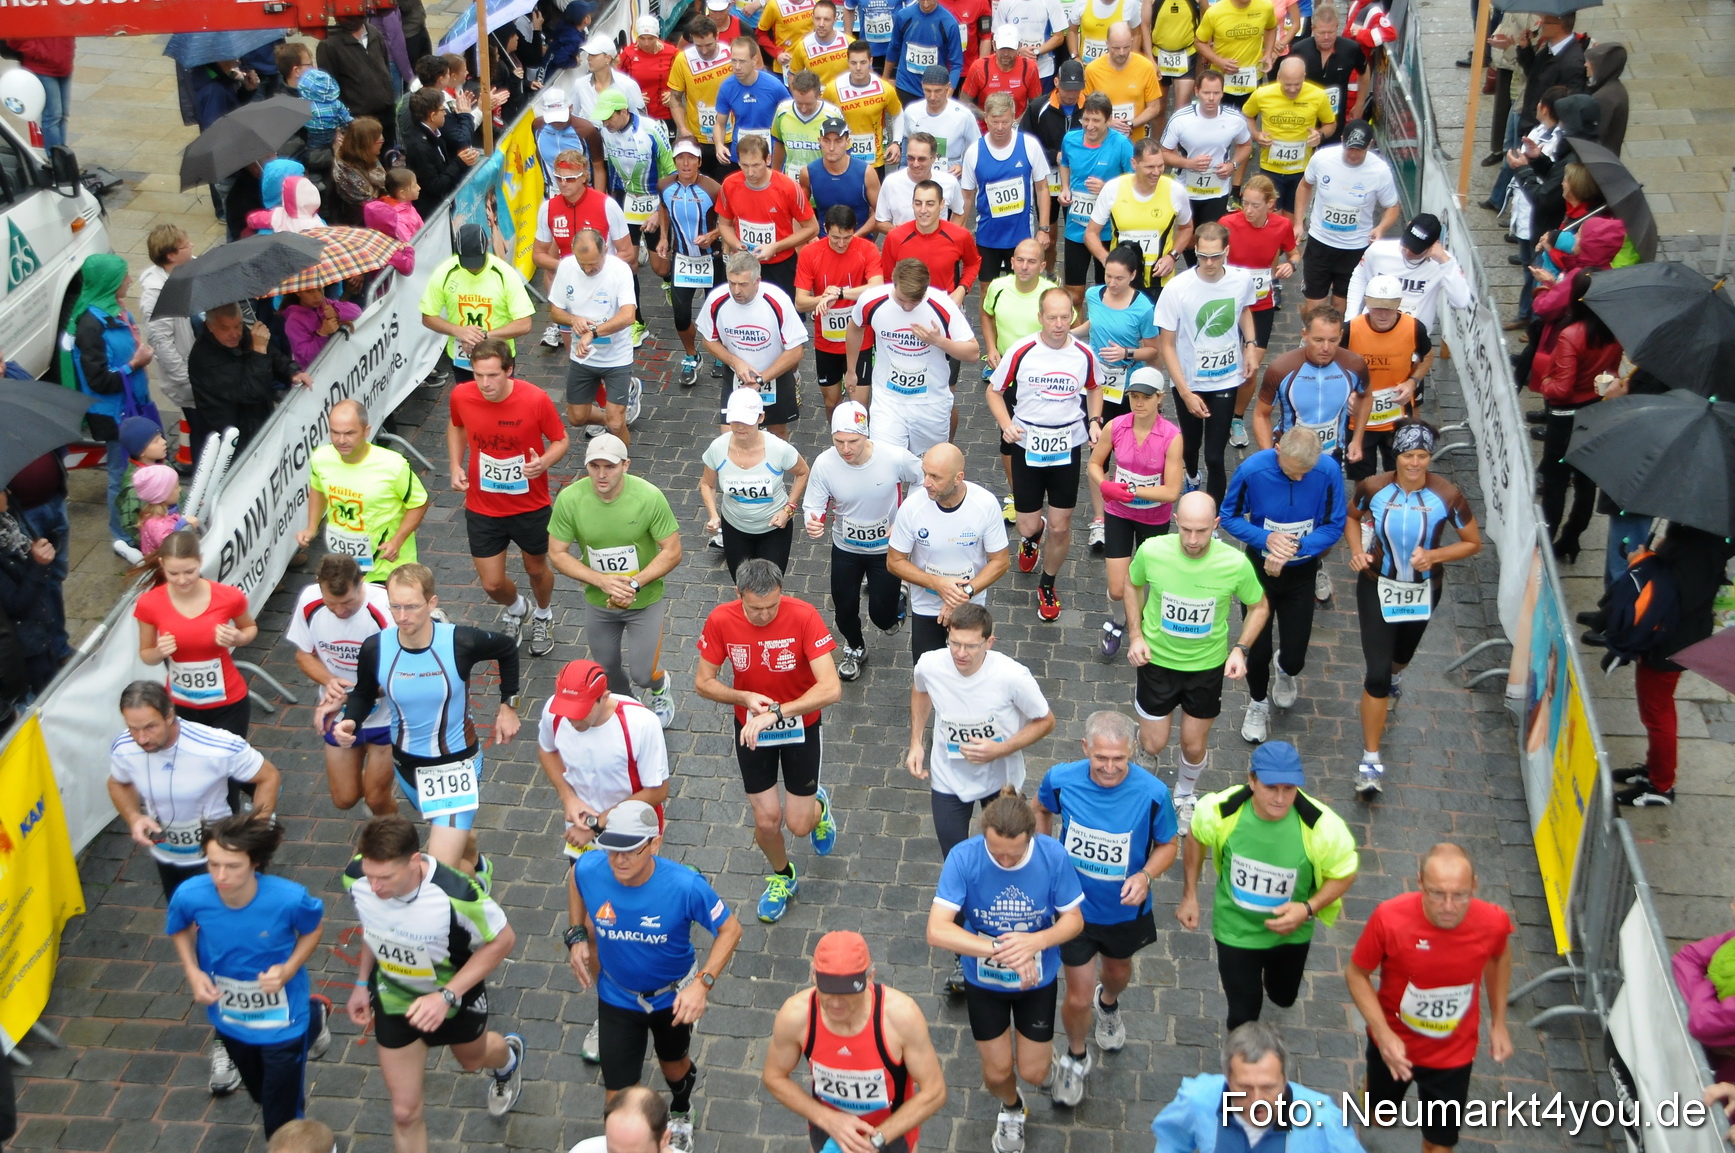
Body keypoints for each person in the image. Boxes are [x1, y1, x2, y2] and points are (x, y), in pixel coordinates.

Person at [108, 679, 283, 1095]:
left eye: (149, 727)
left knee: (225, 947)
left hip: (219, 866)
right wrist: (134, 818)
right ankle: (270, 1017)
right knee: (202, 947)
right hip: (171, 864)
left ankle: (229, 1041)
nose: (141, 738)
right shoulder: (125, 748)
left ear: (171, 715)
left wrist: (250, 838)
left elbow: (268, 777)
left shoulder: (216, 744)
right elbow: (117, 783)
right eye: (133, 729)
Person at [342, 816, 526, 1153]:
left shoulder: (456, 893)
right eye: (370, 875)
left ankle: (509, 1059)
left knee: (472, 1061)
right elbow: (373, 927)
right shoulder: (357, 879)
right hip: (394, 1000)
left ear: (414, 861)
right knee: (404, 1112)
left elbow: (503, 941)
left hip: (454, 999)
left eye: (385, 878)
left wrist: (446, 996)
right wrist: (360, 982)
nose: (375, 887)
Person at [566, 799, 741, 1150]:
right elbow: (575, 878)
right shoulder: (590, 868)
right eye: (612, 850)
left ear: (655, 844)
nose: (618, 860)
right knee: (616, 1100)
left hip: (671, 998)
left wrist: (702, 985)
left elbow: (731, 930)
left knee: (673, 1067)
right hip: (617, 997)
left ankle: (680, 1110)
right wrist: (576, 935)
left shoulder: (685, 886)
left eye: (629, 851)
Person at [326, 564, 522, 875]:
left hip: (456, 767)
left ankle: (476, 916)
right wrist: (351, 720)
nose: (402, 616)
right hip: (407, 769)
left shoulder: (460, 641)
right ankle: (478, 868)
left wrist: (508, 705)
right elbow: (364, 693)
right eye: (395, 606)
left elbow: (507, 649)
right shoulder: (376, 648)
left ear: (431, 604)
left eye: (412, 606)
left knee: (439, 872)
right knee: (459, 840)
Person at [1033, 710, 1178, 1105]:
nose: (1111, 768)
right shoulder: (1062, 780)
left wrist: (1146, 876)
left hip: (1123, 913)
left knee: (1117, 973)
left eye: (1120, 759)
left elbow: (1168, 844)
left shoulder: (1152, 793)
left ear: (1131, 751)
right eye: (1101, 758)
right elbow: (1041, 808)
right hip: (1074, 912)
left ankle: (1109, 1003)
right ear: (1085, 749)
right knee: (1076, 995)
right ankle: (1076, 1057)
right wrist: (1045, 856)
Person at [925, 789, 1084, 1148]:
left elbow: (1073, 920)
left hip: (1036, 980)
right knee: (997, 1072)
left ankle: (1048, 1063)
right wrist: (1001, 948)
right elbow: (937, 930)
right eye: (997, 854)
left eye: (1016, 855)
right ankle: (1011, 1107)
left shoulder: (1052, 856)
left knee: (1034, 1071)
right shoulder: (964, 858)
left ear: (1031, 837)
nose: (1007, 863)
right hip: (984, 981)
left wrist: (1035, 942)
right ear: (984, 836)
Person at [695, 558, 844, 922]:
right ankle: (783, 876)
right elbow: (703, 682)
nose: (764, 615)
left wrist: (778, 713)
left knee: (799, 824)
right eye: (755, 608)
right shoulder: (720, 619)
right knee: (766, 821)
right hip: (750, 730)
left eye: (772, 606)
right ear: (738, 594)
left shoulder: (804, 615)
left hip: (799, 727)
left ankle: (818, 810)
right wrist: (744, 698)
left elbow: (831, 687)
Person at [1346, 843, 1515, 1153]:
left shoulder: (1492, 922)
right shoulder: (1390, 918)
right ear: (1420, 883)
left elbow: (1499, 957)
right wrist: (1383, 1036)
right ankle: (1369, 1089)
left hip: (1453, 1055)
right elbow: (1356, 974)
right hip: (1393, 1048)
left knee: (1440, 1145)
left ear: (1474, 885)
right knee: (1377, 1117)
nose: (1449, 905)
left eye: (1460, 894)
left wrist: (1499, 1022)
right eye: (1437, 893)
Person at [166, 815, 327, 1138]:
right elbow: (180, 928)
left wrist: (289, 969)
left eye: (232, 866)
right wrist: (193, 971)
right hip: (231, 1016)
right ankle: (317, 1016)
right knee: (259, 1092)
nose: (221, 876)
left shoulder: (290, 898)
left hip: (284, 1020)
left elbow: (313, 929)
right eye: (213, 865)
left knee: (278, 1119)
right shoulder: (190, 894)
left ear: (255, 862)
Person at [1179, 741, 1359, 1028]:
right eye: (1271, 787)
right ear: (1251, 780)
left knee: (1283, 996)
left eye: (1289, 789)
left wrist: (1308, 909)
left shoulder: (1323, 827)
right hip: (1235, 931)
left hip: (1291, 934)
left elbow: (1345, 872)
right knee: (1242, 1015)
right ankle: (1242, 1068)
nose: (1280, 798)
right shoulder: (1219, 811)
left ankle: (1271, 982)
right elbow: (1196, 837)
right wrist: (1190, 895)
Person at [1349, 420, 1481, 797]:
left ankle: (1395, 674)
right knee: (1375, 673)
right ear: (1396, 455)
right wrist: (1358, 551)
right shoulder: (1372, 487)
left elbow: (1472, 543)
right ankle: (1370, 761)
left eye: (1423, 456)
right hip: (1377, 585)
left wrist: (1435, 554)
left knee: (1400, 659)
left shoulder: (1447, 495)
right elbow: (1351, 517)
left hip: (1424, 591)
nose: (1415, 464)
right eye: (1409, 455)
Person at [1123, 491, 1268, 828]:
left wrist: (1241, 648)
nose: (1192, 539)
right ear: (1175, 522)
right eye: (1186, 529)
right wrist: (1135, 635)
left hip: (1205, 667)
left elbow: (1259, 606)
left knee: (1192, 745)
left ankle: (1185, 795)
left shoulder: (1233, 563)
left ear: (1216, 525)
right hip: (1156, 662)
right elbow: (1132, 585)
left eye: (1201, 531)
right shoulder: (1153, 551)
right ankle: (1142, 748)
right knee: (1154, 742)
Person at [907, 603, 1055, 911]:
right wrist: (916, 742)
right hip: (949, 780)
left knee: (1008, 855)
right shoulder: (931, 664)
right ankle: (966, 939)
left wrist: (1000, 749)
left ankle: (1011, 913)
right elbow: (920, 690)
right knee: (958, 863)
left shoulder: (1013, 676)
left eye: (971, 646)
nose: (961, 653)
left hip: (1001, 782)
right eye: (954, 643)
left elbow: (1046, 720)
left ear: (989, 642)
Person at [762, 930, 948, 1153]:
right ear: (813, 976)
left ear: (870, 978)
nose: (837, 1003)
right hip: (829, 1132)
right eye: (828, 990)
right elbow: (773, 1076)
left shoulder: (901, 1017)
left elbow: (934, 1091)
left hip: (890, 1135)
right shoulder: (796, 1015)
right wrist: (828, 1119)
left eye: (849, 992)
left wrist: (876, 1140)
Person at [1220, 428, 1347, 743]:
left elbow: (1334, 524)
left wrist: (1296, 547)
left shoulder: (1328, 471)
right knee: (1257, 648)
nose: (1301, 478)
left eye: (1307, 472)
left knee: (1295, 655)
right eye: (1293, 472)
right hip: (1258, 573)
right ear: (1277, 451)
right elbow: (1229, 516)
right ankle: (1258, 702)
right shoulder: (1253, 470)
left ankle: (1286, 670)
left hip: (1301, 573)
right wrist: (1266, 539)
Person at [987, 287, 1105, 622]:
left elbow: (1095, 388)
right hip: (1028, 444)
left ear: (1073, 316)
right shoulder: (1022, 351)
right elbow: (994, 392)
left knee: (1060, 525)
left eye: (1065, 317)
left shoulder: (1083, 354)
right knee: (1027, 525)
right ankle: (1031, 537)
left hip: (1066, 445)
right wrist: (1006, 424)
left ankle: (1048, 584)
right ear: (1040, 317)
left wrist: (1095, 421)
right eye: (1051, 317)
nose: (1058, 324)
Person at [444, 340, 569, 652]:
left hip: (530, 504)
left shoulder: (535, 399)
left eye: (492, 375)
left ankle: (543, 614)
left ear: (509, 370)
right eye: (478, 375)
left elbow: (560, 440)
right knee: (492, 584)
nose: (485, 383)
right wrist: (455, 464)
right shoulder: (461, 394)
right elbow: (457, 426)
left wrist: (544, 462)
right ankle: (517, 608)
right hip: (483, 505)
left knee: (536, 569)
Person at [548, 436, 683, 724]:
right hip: (599, 603)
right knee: (606, 670)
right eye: (594, 466)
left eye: (609, 466)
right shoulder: (571, 499)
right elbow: (557, 554)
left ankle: (660, 687)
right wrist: (601, 581)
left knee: (643, 673)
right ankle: (629, 705)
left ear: (625, 465)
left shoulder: (648, 497)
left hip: (644, 602)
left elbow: (672, 551)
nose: (600, 474)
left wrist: (634, 584)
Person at [1611, 524, 1735, 808]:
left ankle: (1662, 785)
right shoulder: (1699, 532)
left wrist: (1641, 562)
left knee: (1657, 711)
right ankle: (1653, 770)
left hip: (1672, 636)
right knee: (1652, 707)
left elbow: (1677, 594)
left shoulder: (1700, 544)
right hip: (1671, 633)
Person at [802, 402, 921, 679]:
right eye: (839, 441)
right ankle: (855, 647)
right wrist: (813, 519)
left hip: (885, 550)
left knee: (883, 618)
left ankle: (897, 603)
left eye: (853, 441)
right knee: (843, 608)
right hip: (846, 548)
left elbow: (923, 478)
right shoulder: (825, 463)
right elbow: (814, 503)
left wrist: (905, 516)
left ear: (866, 435)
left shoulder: (894, 457)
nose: (846, 449)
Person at [287, 555, 399, 816]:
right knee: (345, 799)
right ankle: (371, 775)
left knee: (376, 800)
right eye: (331, 604)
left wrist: (348, 696)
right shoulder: (309, 600)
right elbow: (303, 655)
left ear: (362, 583)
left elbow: (398, 675)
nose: (339, 611)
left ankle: (396, 848)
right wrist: (329, 681)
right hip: (338, 714)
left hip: (386, 717)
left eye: (347, 602)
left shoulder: (387, 609)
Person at [1155, 221, 1258, 503]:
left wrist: (1250, 345)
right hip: (1189, 381)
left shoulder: (1240, 280)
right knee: (1190, 446)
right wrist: (1186, 392)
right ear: (1196, 252)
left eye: (1216, 256)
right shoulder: (1178, 288)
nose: (1209, 263)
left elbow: (1244, 310)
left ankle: (1211, 515)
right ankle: (1191, 476)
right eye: (1202, 256)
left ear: (1227, 251)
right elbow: (1166, 344)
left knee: (1214, 454)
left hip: (1226, 379)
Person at [60, 254, 159, 546]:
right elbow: (99, 380)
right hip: (114, 414)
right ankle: (122, 536)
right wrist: (135, 364)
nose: (129, 280)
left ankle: (145, 523)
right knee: (120, 475)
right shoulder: (91, 326)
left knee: (139, 468)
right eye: (124, 276)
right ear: (109, 282)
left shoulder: (115, 311)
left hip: (132, 405)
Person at [1150, 1021, 1364, 1153]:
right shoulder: (1197, 1099)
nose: (1256, 1100)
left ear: (1285, 1078)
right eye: (1244, 1087)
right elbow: (1171, 1140)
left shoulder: (1324, 1119)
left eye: (1268, 1087)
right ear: (1227, 1077)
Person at [1087, 364, 1183, 656]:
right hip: (1119, 514)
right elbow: (1094, 463)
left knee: (1143, 581)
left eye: (1146, 397)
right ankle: (1119, 620)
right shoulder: (1115, 427)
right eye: (1134, 396)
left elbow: (1171, 492)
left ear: (1160, 398)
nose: (1139, 403)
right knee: (1117, 588)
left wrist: (1129, 491)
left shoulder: (1171, 436)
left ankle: (1138, 627)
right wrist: (1105, 485)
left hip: (1154, 519)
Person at [888, 442, 1013, 661]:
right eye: (925, 473)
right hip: (926, 605)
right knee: (926, 673)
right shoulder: (912, 507)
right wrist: (936, 583)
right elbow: (894, 561)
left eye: (935, 477)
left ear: (958, 477)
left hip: (971, 604)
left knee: (968, 670)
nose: (926, 483)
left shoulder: (985, 504)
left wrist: (965, 593)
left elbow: (1000, 561)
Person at [847, 258, 980, 454]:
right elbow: (855, 327)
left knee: (929, 470)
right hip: (888, 400)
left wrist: (939, 341)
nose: (908, 307)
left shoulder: (943, 305)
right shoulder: (871, 300)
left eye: (915, 301)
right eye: (902, 300)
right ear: (893, 282)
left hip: (930, 402)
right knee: (886, 462)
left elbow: (974, 352)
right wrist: (851, 370)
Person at [135, 531, 259, 738]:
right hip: (180, 705)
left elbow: (249, 627)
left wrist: (239, 638)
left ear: (201, 561)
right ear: (161, 564)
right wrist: (159, 652)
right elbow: (146, 654)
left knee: (226, 767)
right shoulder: (149, 603)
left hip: (228, 702)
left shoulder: (228, 597)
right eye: (173, 573)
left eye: (189, 572)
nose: (182, 580)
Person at [1532, 270, 1618, 561]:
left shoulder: (1572, 335)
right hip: (1595, 412)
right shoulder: (1612, 330)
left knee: (1555, 484)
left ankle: (1544, 542)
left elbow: (1561, 388)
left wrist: (1545, 382)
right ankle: (1571, 539)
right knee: (1585, 482)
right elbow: (1612, 373)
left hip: (1564, 418)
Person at [298, 400, 429, 583]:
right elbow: (318, 488)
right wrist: (312, 527)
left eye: (349, 433)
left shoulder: (393, 465)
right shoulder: (322, 458)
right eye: (335, 433)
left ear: (366, 431)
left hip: (387, 568)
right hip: (343, 566)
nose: (341, 440)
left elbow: (419, 503)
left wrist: (397, 541)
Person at [1293, 121, 1400, 315]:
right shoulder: (1323, 158)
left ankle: (1336, 340)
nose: (1352, 154)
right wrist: (1298, 222)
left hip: (1355, 247)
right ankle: (1310, 338)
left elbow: (1392, 206)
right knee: (1314, 302)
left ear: (1370, 145)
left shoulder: (1380, 171)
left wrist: (1381, 228)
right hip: (1320, 241)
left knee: (1341, 303)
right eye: (1349, 148)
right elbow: (1305, 185)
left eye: (1358, 150)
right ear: (1342, 140)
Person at [550, 229, 641, 446]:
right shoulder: (566, 267)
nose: (588, 269)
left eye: (593, 264)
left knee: (617, 423)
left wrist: (593, 333)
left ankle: (624, 470)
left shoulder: (619, 270)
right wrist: (573, 320)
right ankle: (608, 418)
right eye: (583, 265)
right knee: (576, 417)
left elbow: (628, 316)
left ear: (605, 251)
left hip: (616, 358)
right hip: (583, 356)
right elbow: (555, 311)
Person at [795, 206, 885, 419]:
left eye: (847, 237)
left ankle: (861, 446)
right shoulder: (810, 253)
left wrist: (841, 293)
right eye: (835, 237)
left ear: (855, 230)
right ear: (825, 229)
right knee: (831, 402)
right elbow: (800, 302)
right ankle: (839, 443)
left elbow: (878, 286)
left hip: (861, 340)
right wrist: (824, 299)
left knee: (859, 406)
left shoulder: (867, 249)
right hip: (827, 342)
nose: (841, 243)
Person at [188, 302, 313, 452]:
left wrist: (292, 371)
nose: (234, 334)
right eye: (225, 328)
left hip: (258, 422)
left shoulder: (241, 335)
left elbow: (271, 354)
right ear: (210, 326)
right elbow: (252, 392)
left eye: (238, 325)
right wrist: (259, 350)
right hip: (232, 439)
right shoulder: (204, 359)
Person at [419, 223, 536, 382]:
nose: (473, 268)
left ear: (486, 246)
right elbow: (428, 316)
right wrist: (458, 331)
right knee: (468, 403)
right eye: (467, 262)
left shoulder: (504, 274)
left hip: (498, 357)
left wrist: (484, 337)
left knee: (499, 403)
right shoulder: (445, 272)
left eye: (477, 261)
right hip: (462, 357)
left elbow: (525, 324)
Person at [1344, 275, 1433, 483]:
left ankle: (1392, 510)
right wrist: (1346, 393)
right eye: (1376, 307)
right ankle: (1365, 513)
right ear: (1366, 302)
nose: (1382, 314)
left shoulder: (1413, 328)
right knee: (1362, 476)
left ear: (1399, 304)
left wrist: (1412, 382)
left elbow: (1427, 356)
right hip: (1359, 420)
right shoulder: (1350, 330)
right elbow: (1335, 365)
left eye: (1389, 308)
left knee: (1398, 472)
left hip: (1398, 416)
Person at [961, 92, 1054, 286]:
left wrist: (1044, 228)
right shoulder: (974, 151)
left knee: (1023, 289)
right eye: (995, 122)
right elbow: (967, 196)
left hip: (1021, 236)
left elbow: (1042, 187)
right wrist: (960, 230)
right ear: (986, 118)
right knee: (987, 292)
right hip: (988, 235)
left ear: (1013, 117)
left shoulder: (1029, 145)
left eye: (1005, 121)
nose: (1000, 128)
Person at [1083, 138, 1194, 300]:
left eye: (1160, 166)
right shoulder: (1113, 188)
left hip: (1159, 279)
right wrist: (1107, 259)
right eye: (1150, 167)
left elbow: (1187, 228)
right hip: (1122, 280)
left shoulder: (1175, 191)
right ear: (1134, 164)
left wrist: (1172, 256)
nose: (1156, 172)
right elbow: (1091, 234)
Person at [656, 139, 726, 386]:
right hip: (682, 258)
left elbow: (729, 219)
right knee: (681, 315)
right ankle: (691, 355)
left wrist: (713, 235)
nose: (685, 164)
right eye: (680, 158)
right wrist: (664, 237)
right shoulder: (664, 185)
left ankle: (720, 355)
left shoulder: (713, 189)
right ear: (674, 161)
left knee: (716, 312)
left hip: (712, 259)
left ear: (699, 161)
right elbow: (663, 208)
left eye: (691, 158)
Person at [1057, 95, 1135, 302]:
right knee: (1074, 292)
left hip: (1108, 230)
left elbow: (1135, 182)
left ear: (1109, 120)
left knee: (1108, 290)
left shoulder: (1122, 145)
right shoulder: (1070, 139)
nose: (1089, 126)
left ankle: (1102, 332)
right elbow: (1064, 162)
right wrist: (1065, 188)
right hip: (1076, 226)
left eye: (1096, 121)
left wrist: (1107, 188)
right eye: (1086, 119)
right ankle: (1075, 334)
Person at [1159, 69, 1252, 240]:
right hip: (1186, 190)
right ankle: (1192, 266)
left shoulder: (1234, 119)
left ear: (1222, 93)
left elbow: (1246, 145)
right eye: (1206, 92)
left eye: (1216, 93)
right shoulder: (1180, 119)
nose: (1211, 98)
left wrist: (1233, 165)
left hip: (1217, 190)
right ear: (1196, 92)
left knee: (1211, 237)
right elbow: (1163, 153)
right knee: (1187, 239)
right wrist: (1189, 163)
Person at [1343, 212, 1472, 330]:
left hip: (1413, 338)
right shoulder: (1379, 250)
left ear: (1434, 244)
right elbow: (1359, 276)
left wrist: (1445, 261)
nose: (1408, 251)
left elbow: (1461, 302)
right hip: (1371, 330)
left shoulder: (1443, 263)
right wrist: (1351, 318)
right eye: (1406, 244)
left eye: (1416, 249)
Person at [137, 226, 199, 448]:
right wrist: (187, 379)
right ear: (171, 255)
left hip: (206, 367)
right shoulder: (156, 294)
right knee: (202, 432)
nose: (192, 246)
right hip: (192, 379)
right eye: (186, 245)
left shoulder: (192, 269)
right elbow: (162, 344)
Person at [877, 179, 981, 306]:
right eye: (918, 203)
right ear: (912, 204)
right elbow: (888, 279)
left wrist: (962, 289)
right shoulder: (895, 237)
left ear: (942, 204)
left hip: (945, 307)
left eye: (930, 204)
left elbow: (973, 263)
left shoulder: (959, 236)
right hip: (907, 308)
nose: (923, 210)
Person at [668, 14, 739, 180]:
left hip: (729, 135)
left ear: (717, 36)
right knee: (702, 189)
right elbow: (675, 98)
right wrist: (683, 129)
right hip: (698, 137)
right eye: (699, 46)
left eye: (709, 44)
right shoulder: (683, 60)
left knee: (725, 187)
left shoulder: (731, 55)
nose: (704, 51)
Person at [1287, 4, 1367, 133]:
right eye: (1321, 32)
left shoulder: (1350, 49)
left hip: (1335, 117)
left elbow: (1364, 72)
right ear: (1313, 29)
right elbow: (1286, 78)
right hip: (1305, 115)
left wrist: (1359, 104)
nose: (1326, 37)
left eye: (1331, 32)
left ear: (1337, 28)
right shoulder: (1300, 49)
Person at [716, 33, 792, 168]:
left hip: (768, 155)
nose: (737, 66)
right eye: (734, 61)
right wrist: (719, 145)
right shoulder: (727, 87)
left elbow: (791, 116)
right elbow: (720, 124)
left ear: (754, 60)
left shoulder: (774, 86)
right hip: (739, 155)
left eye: (742, 61)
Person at [828, 40, 905, 171]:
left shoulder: (885, 89)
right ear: (847, 62)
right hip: (842, 160)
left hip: (874, 161)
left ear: (871, 61)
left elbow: (897, 114)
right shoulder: (833, 88)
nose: (858, 68)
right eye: (853, 63)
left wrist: (896, 142)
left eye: (863, 62)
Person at [799, 116, 880, 240]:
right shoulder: (808, 173)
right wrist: (811, 237)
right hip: (824, 242)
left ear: (848, 142)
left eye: (838, 141)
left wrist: (853, 237)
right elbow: (799, 211)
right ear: (819, 141)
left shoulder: (866, 173)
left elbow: (880, 213)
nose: (831, 148)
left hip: (859, 241)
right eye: (826, 141)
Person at [1082, 22, 1164, 142]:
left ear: (1131, 42)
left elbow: (1154, 107)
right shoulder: (1092, 70)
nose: (1122, 52)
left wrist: (1130, 124)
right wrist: (1108, 122)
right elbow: (1084, 108)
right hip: (1103, 141)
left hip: (1135, 141)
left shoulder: (1146, 67)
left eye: (1126, 47)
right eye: (1116, 48)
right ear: (1107, 44)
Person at [895, 64, 981, 176]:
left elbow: (977, 147)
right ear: (922, 86)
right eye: (927, 90)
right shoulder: (911, 112)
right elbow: (907, 141)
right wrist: (903, 168)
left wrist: (964, 166)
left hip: (951, 175)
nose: (932, 96)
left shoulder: (963, 115)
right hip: (919, 175)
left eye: (938, 91)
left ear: (948, 87)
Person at [1192, 0, 1277, 110]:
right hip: (1221, 78)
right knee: (1218, 121)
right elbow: (1199, 42)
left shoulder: (1265, 6)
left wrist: (1268, 53)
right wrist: (1218, 61)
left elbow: (1271, 27)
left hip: (1252, 75)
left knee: (1247, 120)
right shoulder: (1215, 11)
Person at [403, 87, 478, 210]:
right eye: (443, 110)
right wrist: (459, 163)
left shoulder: (434, 133)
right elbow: (435, 186)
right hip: (432, 211)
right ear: (433, 116)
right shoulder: (420, 147)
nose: (445, 113)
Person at [886, 0, 963, 105]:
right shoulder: (903, 16)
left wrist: (947, 94)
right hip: (906, 85)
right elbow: (894, 47)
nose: (926, 4)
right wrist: (885, 78)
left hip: (934, 90)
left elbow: (957, 64)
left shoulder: (949, 23)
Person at [773, 73, 847, 180]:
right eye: (799, 103)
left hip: (822, 180)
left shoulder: (832, 115)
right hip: (792, 181)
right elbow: (779, 143)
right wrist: (775, 174)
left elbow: (844, 150)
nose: (803, 109)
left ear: (818, 95)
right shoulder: (782, 112)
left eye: (808, 104)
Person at [961, 26, 1044, 119]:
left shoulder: (1029, 68)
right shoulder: (979, 67)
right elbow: (964, 101)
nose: (1006, 54)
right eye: (1002, 48)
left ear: (1019, 46)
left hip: (1017, 127)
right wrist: (987, 118)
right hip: (985, 128)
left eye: (1010, 48)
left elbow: (1036, 104)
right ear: (994, 45)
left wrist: (1017, 122)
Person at [621, 16, 679, 127]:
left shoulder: (672, 53)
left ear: (657, 37)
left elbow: (684, 76)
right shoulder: (628, 54)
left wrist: (673, 92)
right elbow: (614, 82)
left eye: (650, 38)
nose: (646, 43)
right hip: (637, 115)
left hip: (665, 114)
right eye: (642, 38)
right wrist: (632, 97)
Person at [789, 1, 853, 85]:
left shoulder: (849, 44)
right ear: (812, 19)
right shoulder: (803, 46)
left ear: (835, 20)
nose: (821, 24)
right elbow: (792, 76)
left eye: (826, 19)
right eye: (818, 18)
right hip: (816, 97)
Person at [1148, 0, 1200, 103]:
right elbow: (1144, 26)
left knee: (1181, 110)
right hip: (1158, 55)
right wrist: (1150, 58)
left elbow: (1205, 19)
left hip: (1187, 55)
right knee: (1158, 110)